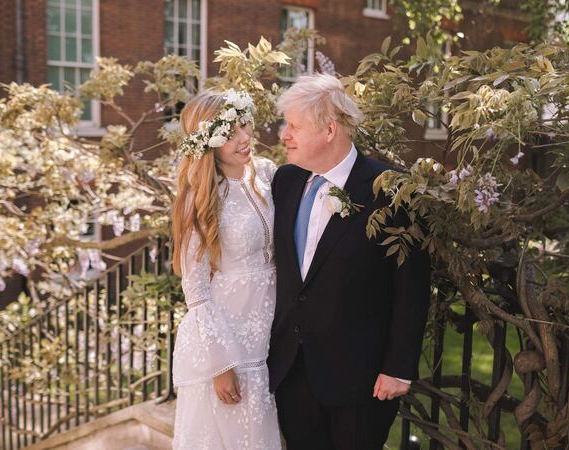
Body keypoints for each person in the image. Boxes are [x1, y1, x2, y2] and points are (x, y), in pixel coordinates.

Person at [268, 74, 431, 450]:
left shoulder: (391, 189)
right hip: (292, 371)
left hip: (362, 378)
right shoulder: (286, 181)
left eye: (293, 126)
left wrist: (399, 368)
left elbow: (412, 286)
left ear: (329, 130)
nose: (283, 135)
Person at [170, 89, 281, 450]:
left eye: (244, 126)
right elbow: (197, 290)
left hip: (269, 328)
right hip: (226, 339)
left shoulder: (268, 174)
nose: (245, 138)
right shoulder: (201, 195)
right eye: (230, 133)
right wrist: (220, 365)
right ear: (210, 142)